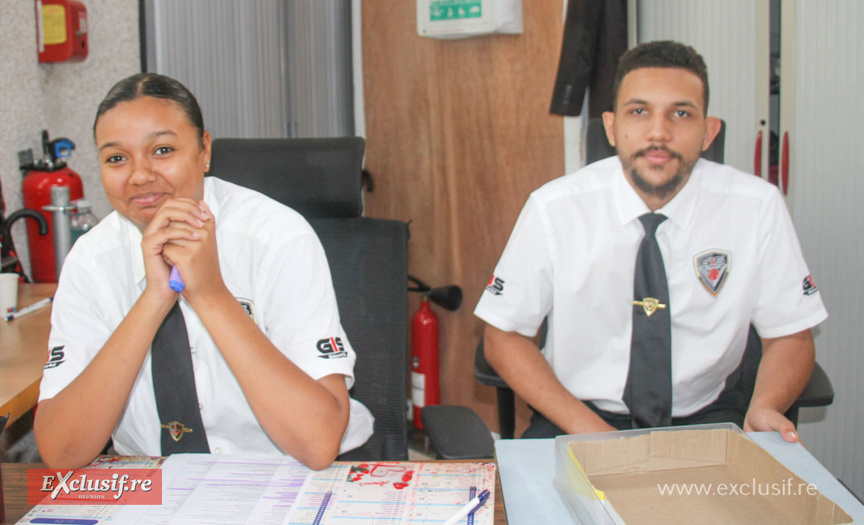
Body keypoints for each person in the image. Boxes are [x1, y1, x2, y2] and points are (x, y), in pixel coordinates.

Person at [474, 41, 827, 442]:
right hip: (576, 417)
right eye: (639, 112)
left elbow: (792, 335)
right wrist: (595, 435)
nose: (659, 132)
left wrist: (765, 405)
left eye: (681, 113)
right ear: (611, 126)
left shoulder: (757, 206)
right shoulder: (553, 209)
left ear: (708, 131)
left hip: (708, 417)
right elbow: (502, 338)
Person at [34, 73, 373, 469]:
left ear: (204, 149)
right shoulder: (91, 260)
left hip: (284, 471)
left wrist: (210, 294)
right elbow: (61, 453)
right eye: (116, 158)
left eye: (162, 150)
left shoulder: (276, 237)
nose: (140, 175)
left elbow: (318, 444)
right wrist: (155, 298)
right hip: (154, 483)